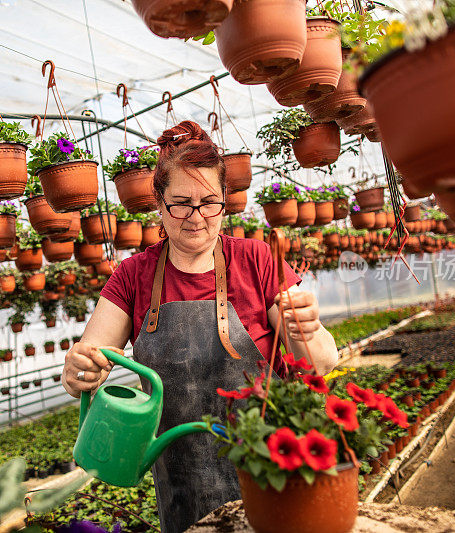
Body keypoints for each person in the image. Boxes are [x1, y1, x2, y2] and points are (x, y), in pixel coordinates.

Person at [62, 121, 338, 533]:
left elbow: (321, 364)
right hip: (181, 483)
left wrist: (308, 332)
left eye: (209, 202)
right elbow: (88, 362)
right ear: (159, 203)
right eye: (181, 202)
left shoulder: (257, 260)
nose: (196, 217)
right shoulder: (133, 276)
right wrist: (79, 369)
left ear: (224, 202)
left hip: (269, 468)